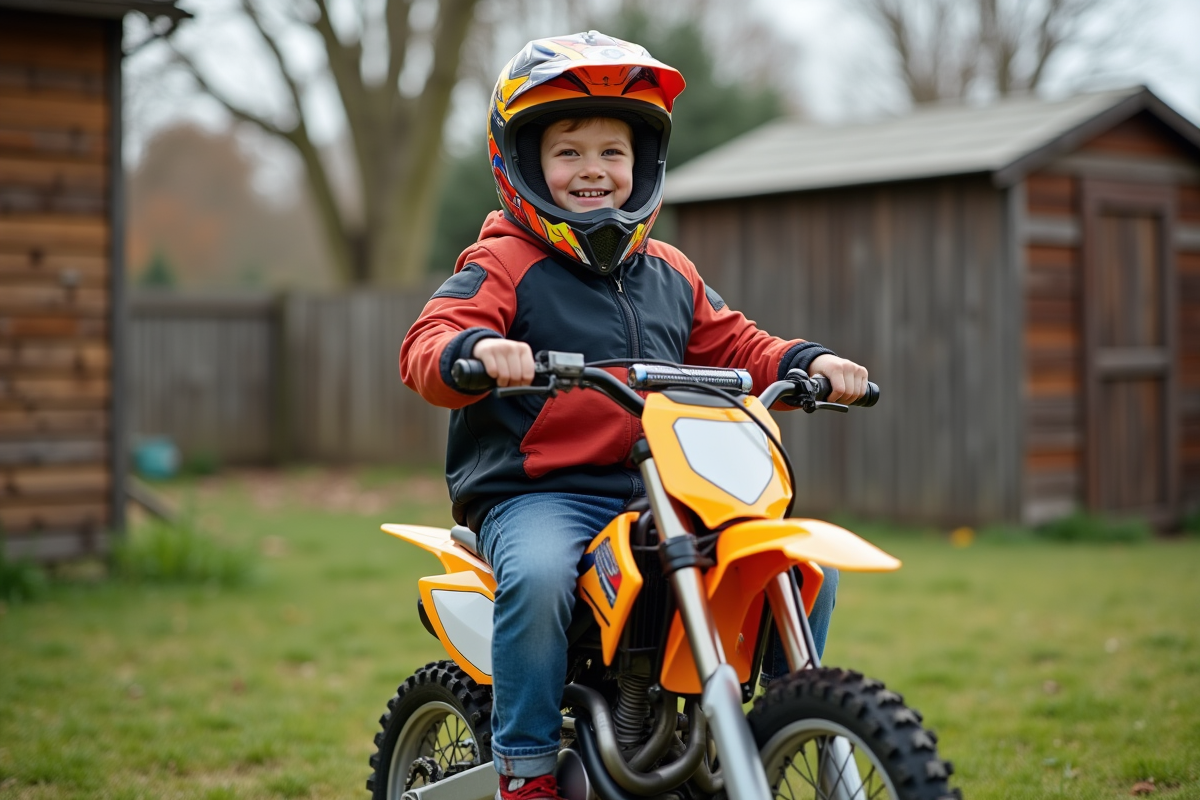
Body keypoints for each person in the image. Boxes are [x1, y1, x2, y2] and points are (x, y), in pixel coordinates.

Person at [400, 31, 869, 800]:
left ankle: (784, 726)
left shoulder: (670, 271)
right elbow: (430, 339)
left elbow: (739, 344)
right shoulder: (502, 262)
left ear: (643, 164)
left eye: (613, 151)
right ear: (521, 164)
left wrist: (807, 364)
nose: (594, 170)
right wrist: (476, 351)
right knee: (543, 574)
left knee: (801, 567)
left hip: (664, 487)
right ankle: (526, 771)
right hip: (537, 491)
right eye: (569, 151)